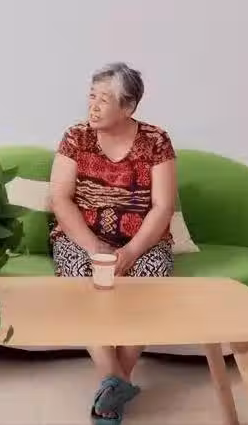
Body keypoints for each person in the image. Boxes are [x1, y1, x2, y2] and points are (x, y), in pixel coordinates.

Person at [49, 62, 177, 423]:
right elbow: (60, 199)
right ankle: (116, 380)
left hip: (142, 240)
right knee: (80, 278)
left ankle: (114, 384)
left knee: (152, 278)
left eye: (103, 100)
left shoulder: (156, 141)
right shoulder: (76, 137)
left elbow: (163, 206)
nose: (93, 106)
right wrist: (94, 248)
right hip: (82, 238)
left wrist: (131, 251)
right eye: (91, 96)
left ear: (128, 106)